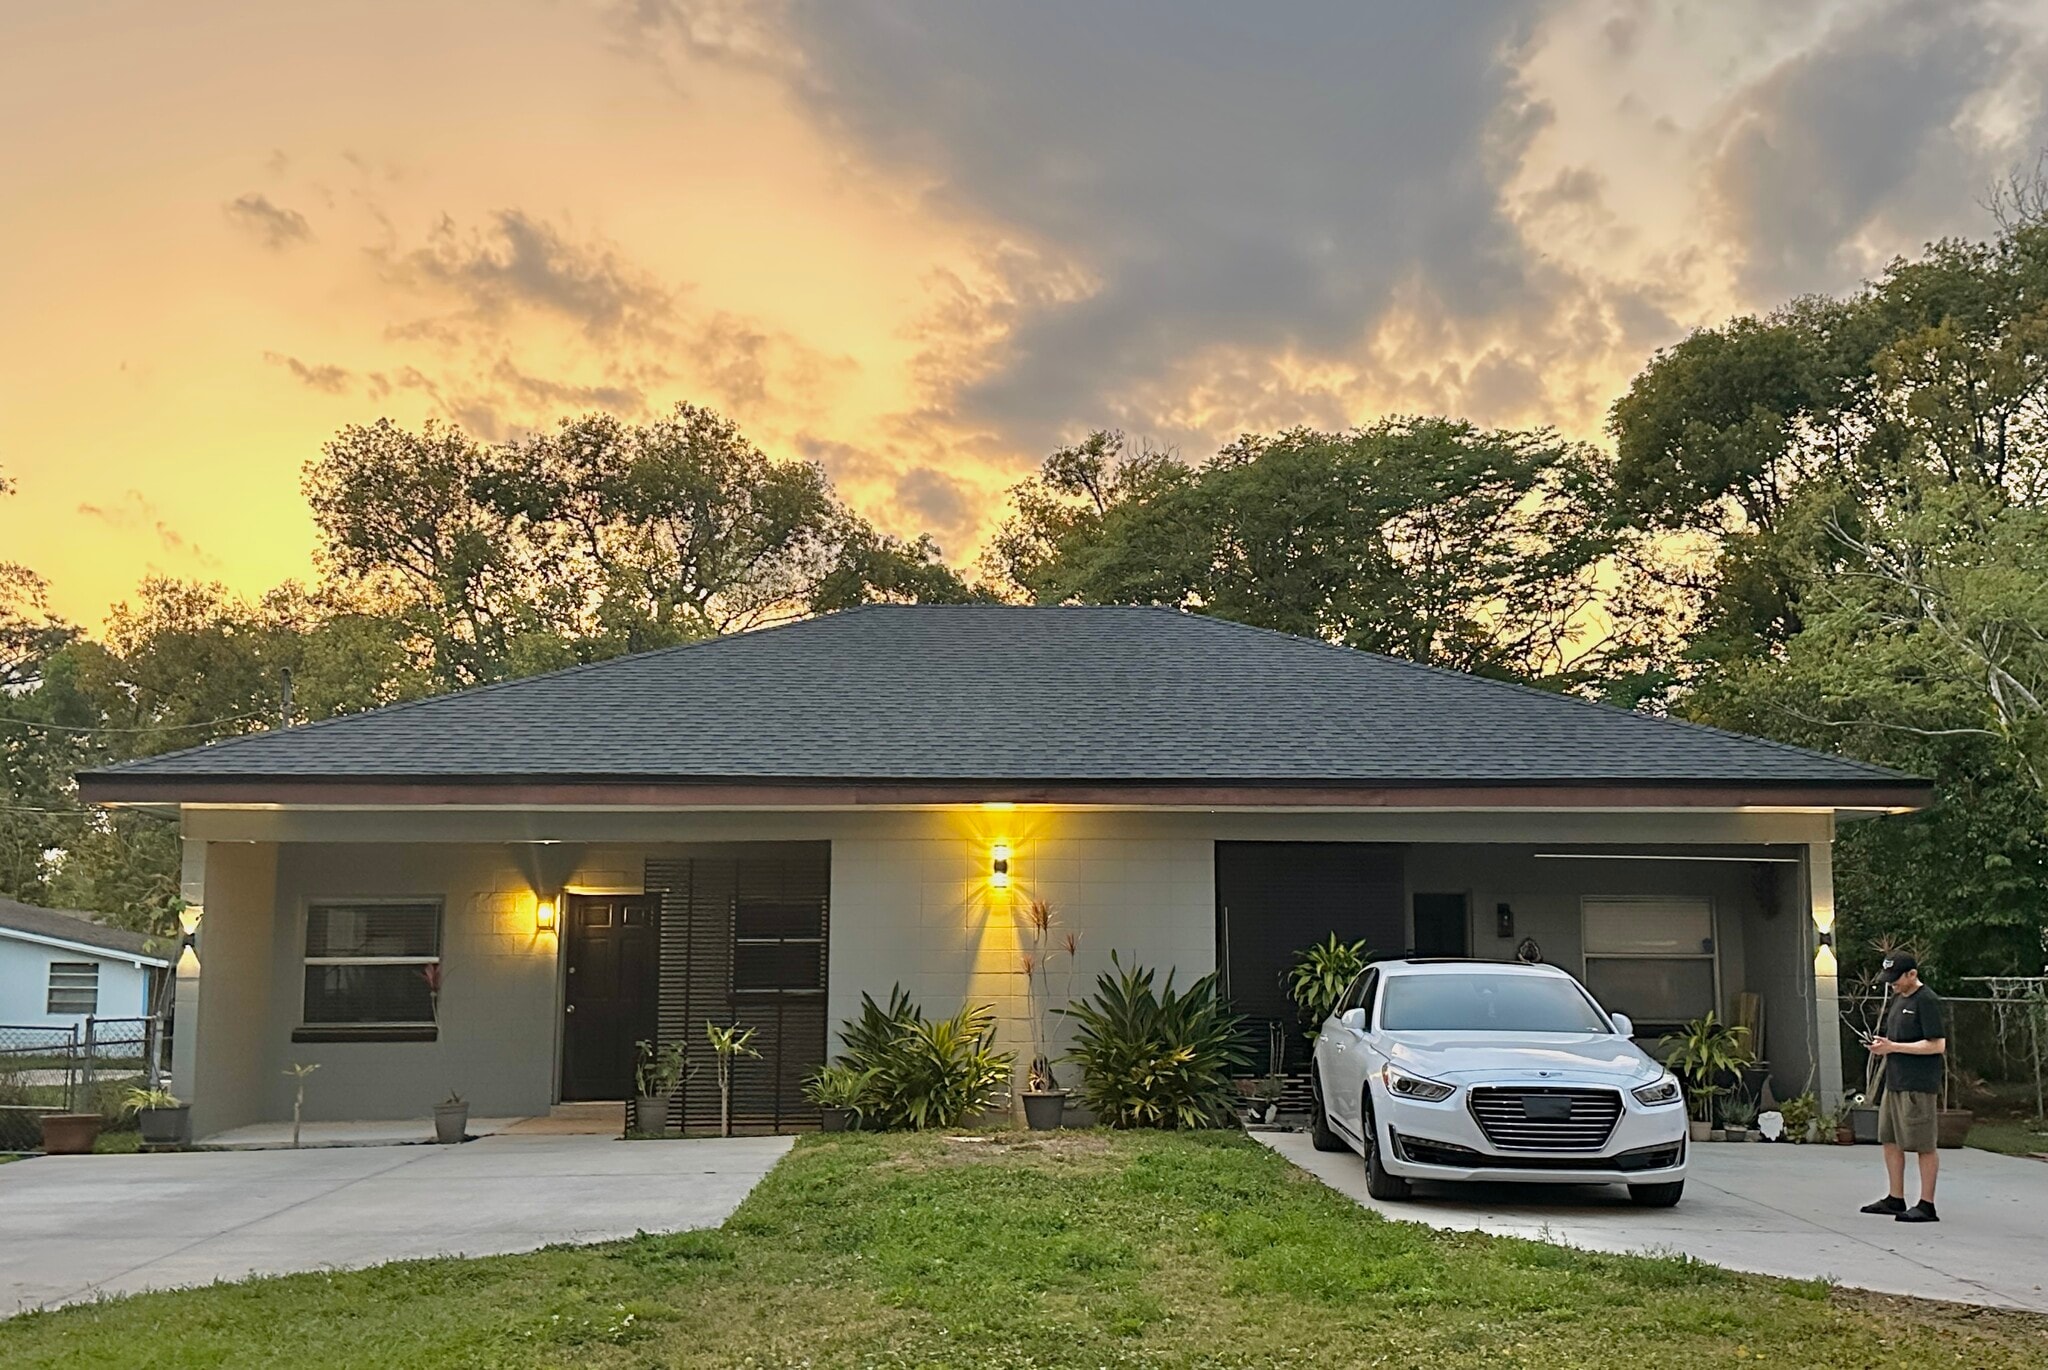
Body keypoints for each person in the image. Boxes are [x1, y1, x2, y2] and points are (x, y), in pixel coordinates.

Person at [1858, 953, 1947, 1223]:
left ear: (1912, 974)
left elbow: (1937, 1045)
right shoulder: (1900, 999)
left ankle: (1927, 1204)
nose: (1892, 984)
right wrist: (1882, 1046)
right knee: (1890, 1138)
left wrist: (1894, 1047)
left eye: (1896, 979)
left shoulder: (1926, 1001)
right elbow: (1898, 1040)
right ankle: (1895, 1198)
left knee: (1923, 1144)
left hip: (1917, 1085)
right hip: (1895, 1081)